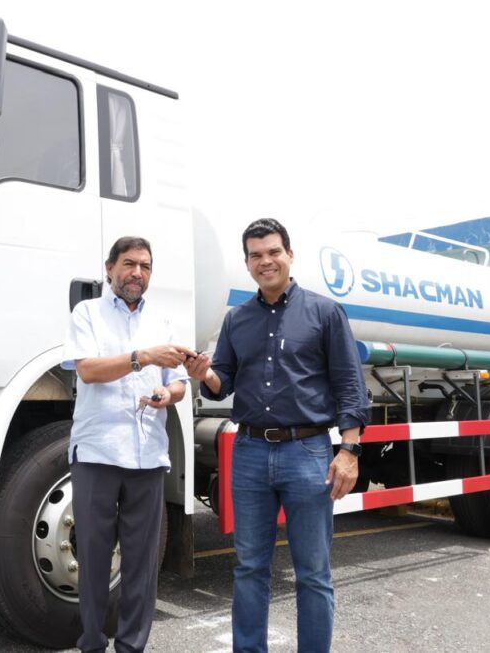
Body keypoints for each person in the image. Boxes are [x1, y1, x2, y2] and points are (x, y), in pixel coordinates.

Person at [185, 218, 370, 653]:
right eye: (255, 255)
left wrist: (349, 450)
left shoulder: (324, 312)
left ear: (289, 254)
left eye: (273, 252)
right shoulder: (238, 319)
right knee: (249, 567)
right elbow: (224, 382)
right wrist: (204, 373)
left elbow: (349, 385)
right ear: (247, 263)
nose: (265, 261)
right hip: (248, 451)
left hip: (307, 451)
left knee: (312, 571)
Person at [62, 236, 193, 653]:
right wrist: (143, 357)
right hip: (99, 452)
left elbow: (180, 384)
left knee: (142, 565)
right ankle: (92, 644)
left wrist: (168, 394)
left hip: (148, 455)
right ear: (109, 268)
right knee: (95, 561)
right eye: (129, 263)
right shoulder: (88, 313)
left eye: (146, 266)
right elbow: (88, 370)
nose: (138, 272)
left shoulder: (164, 320)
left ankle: (132, 646)